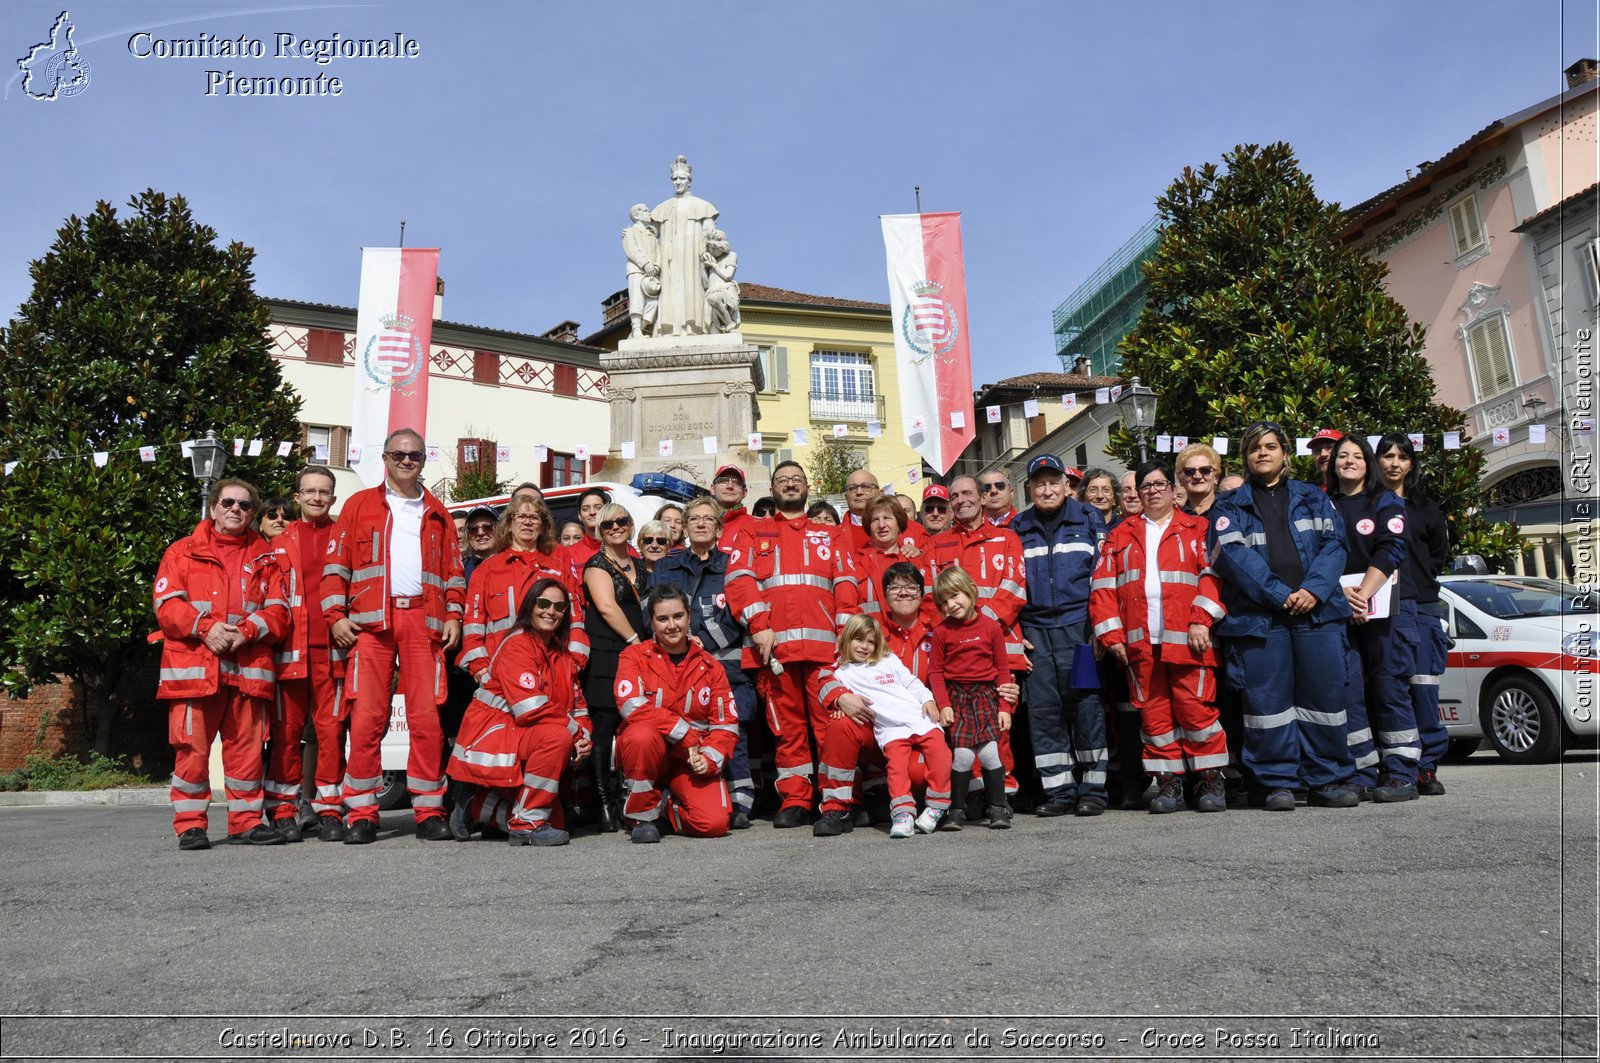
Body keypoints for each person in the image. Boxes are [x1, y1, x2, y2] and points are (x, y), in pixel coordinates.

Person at [323, 431, 466, 843]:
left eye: (415, 455)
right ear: (385, 457)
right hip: (370, 624)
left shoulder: (437, 510)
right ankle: (362, 813)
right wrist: (335, 615)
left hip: (425, 621)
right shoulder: (359, 505)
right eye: (399, 454)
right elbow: (336, 566)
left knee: (426, 721)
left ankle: (427, 811)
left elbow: (454, 573)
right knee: (367, 719)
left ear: (424, 460)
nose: (407, 461)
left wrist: (454, 614)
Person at [1207, 421, 1357, 811]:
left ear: (1285, 454)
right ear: (1245, 457)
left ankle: (1326, 780)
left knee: (1323, 701)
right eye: (1255, 448)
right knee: (1267, 707)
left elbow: (1336, 545)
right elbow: (1231, 556)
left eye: (1271, 446)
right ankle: (1276, 784)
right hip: (1260, 619)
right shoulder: (1229, 504)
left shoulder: (1314, 497)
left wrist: (1312, 591)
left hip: (1317, 615)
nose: (1263, 453)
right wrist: (1280, 594)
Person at [725, 460, 862, 829]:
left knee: (831, 728)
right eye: (783, 480)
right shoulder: (753, 534)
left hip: (824, 653)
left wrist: (844, 635)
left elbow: (846, 586)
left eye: (797, 480)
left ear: (807, 488)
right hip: (774, 654)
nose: (790, 484)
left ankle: (837, 803)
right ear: (772, 490)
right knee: (786, 731)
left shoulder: (831, 535)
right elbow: (739, 581)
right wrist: (759, 626)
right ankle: (796, 799)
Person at [154, 478, 289, 849]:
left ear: (252, 514)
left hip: (247, 669)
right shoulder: (182, 552)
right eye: (228, 502)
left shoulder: (267, 558)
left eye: (245, 506)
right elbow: (167, 606)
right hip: (196, 669)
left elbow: (280, 612)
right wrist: (205, 627)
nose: (236, 509)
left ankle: (245, 822)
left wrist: (246, 631)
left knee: (246, 750)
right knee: (192, 751)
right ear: (213, 508)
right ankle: (190, 825)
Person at [1090, 460, 1229, 813]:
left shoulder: (1198, 527)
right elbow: (1103, 588)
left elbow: (1212, 576)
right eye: (1145, 486)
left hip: (1188, 637)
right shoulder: (1120, 535)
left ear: (1172, 488)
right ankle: (1169, 783)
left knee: (1195, 709)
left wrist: (1201, 621)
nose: (1152, 491)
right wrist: (1112, 636)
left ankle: (1209, 779)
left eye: (1158, 484)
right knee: (1154, 718)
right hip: (1139, 643)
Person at [447, 578, 590, 846]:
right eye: (544, 603)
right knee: (557, 738)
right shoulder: (518, 644)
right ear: (529, 606)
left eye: (559, 606)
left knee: (558, 823)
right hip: (494, 733)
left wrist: (585, 739)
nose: (551, 611)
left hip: (523, 735)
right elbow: (529, 709)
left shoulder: (563, 654)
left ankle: (477, 804)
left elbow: (579, 706)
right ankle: (526, 824)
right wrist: (574, 731)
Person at [1009, 455, 1110, 816]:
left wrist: (1101, 626)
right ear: (1030, 489)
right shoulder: (1017, 527)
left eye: (1054, 482)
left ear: (1066, 485)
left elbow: (1103, 578)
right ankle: (1060, 792)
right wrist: (1014, 632)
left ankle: (1093, 792)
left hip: (1079, 627)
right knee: (1044, 712)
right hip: (1035, 632)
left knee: (1086, 709)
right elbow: (1010, 586)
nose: (1047, 489)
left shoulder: (1088, 519)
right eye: (1040, 484)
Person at [647, 497, 757, 827]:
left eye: (708, 519)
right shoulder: (667, 566)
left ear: (719, 528)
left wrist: (701, 641)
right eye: (693, 518)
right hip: (676, 668)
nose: (700, 524)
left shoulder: (732, 566)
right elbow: (650, 611)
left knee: (730, 730)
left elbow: (738, 613)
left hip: (726, 668)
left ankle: (741, 802)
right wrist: (681, 642)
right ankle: (683, 795)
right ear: (683, 526)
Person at [1326, 434, 1419, 803]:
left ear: (1368, 463)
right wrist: (1338, 593)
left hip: (1381, 612)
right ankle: (1362, 771)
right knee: (1349, 693)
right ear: (1333, 464)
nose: (1349, 461)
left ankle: (1401, 773)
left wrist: (1363, 593)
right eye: (1342, 456)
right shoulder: (1322, 504)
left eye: (1357, 456)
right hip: (1339, 610)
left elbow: (1390, 548)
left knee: (1388, 689)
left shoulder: (1385, 501)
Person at [927, 474, 1028, 810]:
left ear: (983, 497)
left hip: (999, 649)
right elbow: (931, 598)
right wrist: (959, 633)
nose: (960, 500)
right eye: (954, 496)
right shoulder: (937, 543)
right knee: (962, 728)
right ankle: (972, 793)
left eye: (967, 493)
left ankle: (1002, 795)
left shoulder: (1007, 538)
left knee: (999, 727)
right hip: (956, 655)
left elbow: (1014, 587)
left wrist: (981, 628)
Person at [615, 585, 740, 841]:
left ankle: (661, 806)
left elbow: (725, 724)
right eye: (662, 619)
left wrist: (708, 759)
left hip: (689, 760)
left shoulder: (710, 666)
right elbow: (630, 704)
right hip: (651, 756)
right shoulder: (634, 656)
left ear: (688, 617)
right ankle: (642, 817)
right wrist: (683, 733)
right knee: (640, 735)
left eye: (677, 616)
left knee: (713, 824)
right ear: (651, 622)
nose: (671, 625)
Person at [266, 468, 343, 841]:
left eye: (323, 492)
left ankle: (329, 809)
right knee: (286, 733)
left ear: (333, 497)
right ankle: (283, 811)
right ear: (297, 497)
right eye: (309, 491)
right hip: (290, 652)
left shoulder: (345, 536)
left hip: (334, 653)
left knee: (331, 732)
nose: (316, 498)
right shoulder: (279, 542)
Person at [1375, 431, 1451, 795]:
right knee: (1390, 690)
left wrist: (1418, 582)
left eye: (1401, 457)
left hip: (1421, 606)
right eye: (1387, 456)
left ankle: (1427, 767)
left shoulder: (1425, 507)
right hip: (1380, 607)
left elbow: (1437, 555)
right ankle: (1394, 765)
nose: (1394, 463)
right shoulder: (1368, 504)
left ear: (1411, 464)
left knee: (1423, 689)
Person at [831, 615, 953, 838]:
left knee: (941, 756)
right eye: (858, 639)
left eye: (870, 642)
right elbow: (840, 697)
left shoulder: (887, 659)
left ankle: (937, 805)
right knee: (896, 768)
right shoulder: (842, 673)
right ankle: (902, 813)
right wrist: (838, 704)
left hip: (919, 718)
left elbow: (911, 681)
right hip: (890, 729)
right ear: (846, 640)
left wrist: (928, 700)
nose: (864, 646)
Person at [581, 502, 648, 831]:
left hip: (638, 655)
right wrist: (636, 640)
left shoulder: (640, 564)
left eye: (622, 521)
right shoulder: (596, 565)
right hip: (608, 653)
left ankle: (628, 796)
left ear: (631, 525)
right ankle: (603, 804)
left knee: (631, 726)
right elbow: (607, 607)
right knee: (604, 728)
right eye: (608, 524)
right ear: (599, 530)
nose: (616, 527)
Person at [929, 567, 1013, 830]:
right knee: (963, 756)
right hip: (958, 700)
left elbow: (1002, 669)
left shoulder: (990, 627)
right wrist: (943, 705)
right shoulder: (942, 631)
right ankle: (956, 810)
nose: (951, 605)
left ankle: (997, 808)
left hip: (986, 697)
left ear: (970, 591)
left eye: (955, 596)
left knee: (989, 754)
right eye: (943, 602)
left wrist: (1004, 707)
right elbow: (935, 672)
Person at [650, 155, 719, 336]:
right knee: (670, 289)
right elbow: (650, 236)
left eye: (682, 178)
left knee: (691, 288)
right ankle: (669, 328)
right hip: (669, 259)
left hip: (693, 256)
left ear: (689, 181)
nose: (678, 182)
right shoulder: (662, 208)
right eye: (675, 179)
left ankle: (692, 327)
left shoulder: (702, 206)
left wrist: (707, 252)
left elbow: (711, 234)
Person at [855, 495, 932, 620]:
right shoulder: (856, 563)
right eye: (875, 520)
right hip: (871, 636)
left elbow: (929, 605)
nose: (881, 525)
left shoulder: (916, 560)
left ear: (899, 524)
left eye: (887, 518)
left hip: (909, 636)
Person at [622, 203, 660, 338]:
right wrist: (645, 264)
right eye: (646, 211)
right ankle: (636, 328)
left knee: (654, 301)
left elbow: (658, 252)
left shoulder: (652, 236)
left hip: (651, 273)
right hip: (636, 270)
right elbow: (631, 250)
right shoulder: (630, 232)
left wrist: (656, 266)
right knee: (637, 299)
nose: (649, 213)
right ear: (636, 215)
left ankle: (638, 330)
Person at [702, 228, 740, 333]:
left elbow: (728, 275)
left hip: (724, 290)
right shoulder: (711, 258)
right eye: (709, 247)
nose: (711, 250)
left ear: (722, 247)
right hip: (711, 291)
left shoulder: (731, 256)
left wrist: (714, 265)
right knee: (713, 326)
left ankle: (730, 324)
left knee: (713, 298)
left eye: (714, 248)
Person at [710, 464, 753, 548]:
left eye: (737, 483)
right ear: (712, 489)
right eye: (723, 481)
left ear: (744, 492)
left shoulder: (754, 525)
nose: (730, 486)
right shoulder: (697, 523)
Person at [1176, 443, 1223, 517]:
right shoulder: (1175, 519)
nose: (1197, 476)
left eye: (1205, 470)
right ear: (1180, 479)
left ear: (1216, 477)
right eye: (1189, 471)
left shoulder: (1231, 512)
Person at [841, 467, 882, 550]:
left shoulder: (907, 529)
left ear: (880, 493)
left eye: (866, 486)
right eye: (852, 488)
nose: (859, 492)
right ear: (846, 496)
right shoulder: (834, 534)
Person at [569, 487, 610, 567]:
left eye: (598, 507)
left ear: (606, 511)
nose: (592, 512)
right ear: (579, 515)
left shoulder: (623, 549)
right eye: (585, 509)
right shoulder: (569, 554)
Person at [460, 505, 499, 581]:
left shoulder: (511, 563)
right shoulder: (461, 570)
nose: (480, 533)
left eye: (488, 527)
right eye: (473, 529)